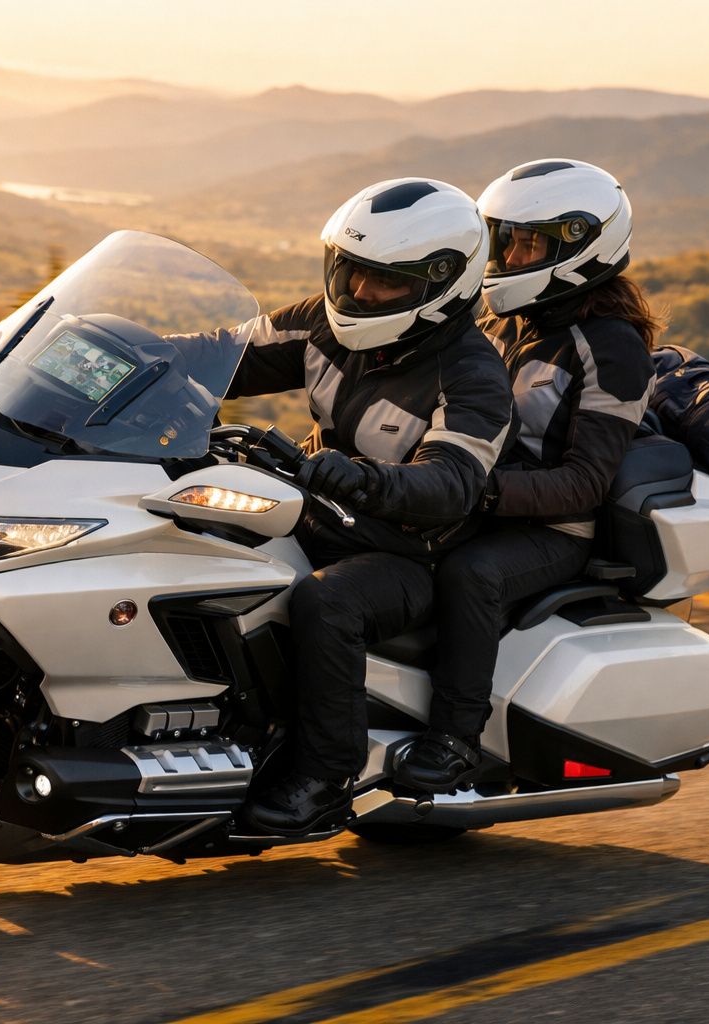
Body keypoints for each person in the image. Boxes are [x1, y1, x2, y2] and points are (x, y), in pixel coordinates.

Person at [225, 177, 515, 834]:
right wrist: (106, 356)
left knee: (328, 602)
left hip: (409, 553)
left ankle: (325, 777)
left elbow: (451, 484)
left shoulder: (472, 374)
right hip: (323, 513)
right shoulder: (321, 326)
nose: (358, 292)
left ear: (439, 283)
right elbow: (217, 356)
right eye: (352, 271)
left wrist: (363, 480)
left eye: (383, 280)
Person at [391, 158, 664, 793]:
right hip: (477, 502)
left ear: (580, 245)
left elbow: (584, 484)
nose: (509, 257)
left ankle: (455, 739)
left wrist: (479, 494)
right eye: (504, 240)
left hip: (557, 528)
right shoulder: (500, 324)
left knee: (471, 573)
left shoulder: (612, 346)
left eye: (527, 243)